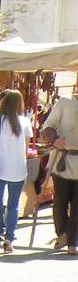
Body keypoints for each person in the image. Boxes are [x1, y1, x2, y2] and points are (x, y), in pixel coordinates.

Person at [0, 89, 32, 255]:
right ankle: (9, 240)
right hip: (18, 168)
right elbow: (26, 148)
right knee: (13, 205)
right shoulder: (25, 122)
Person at [42, 94, 78, 255]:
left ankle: (72, 241)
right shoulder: (65, 103)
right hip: (62, 161)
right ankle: (62, 234)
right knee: (60, 201)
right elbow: (48, 126)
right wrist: (54, 138)